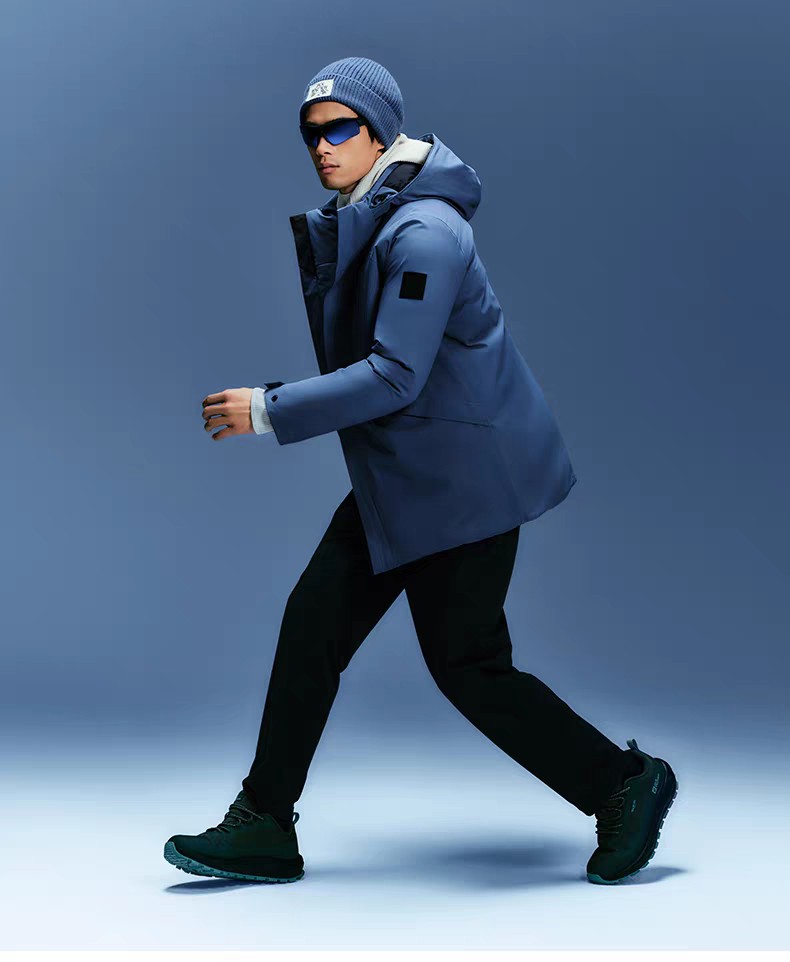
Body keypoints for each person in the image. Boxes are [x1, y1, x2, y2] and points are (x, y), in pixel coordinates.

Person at [164, 56, 678, 886]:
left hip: (470, 484)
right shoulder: (371, 214)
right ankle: (264, 823)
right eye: (311, 133)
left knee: (468, 667)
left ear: (380, 132)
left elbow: (395, 375)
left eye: (340, 128)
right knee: (313, 628)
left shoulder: (425, 232)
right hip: (406, 477)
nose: (322, 147)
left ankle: (625, 784)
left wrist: (268, 408)